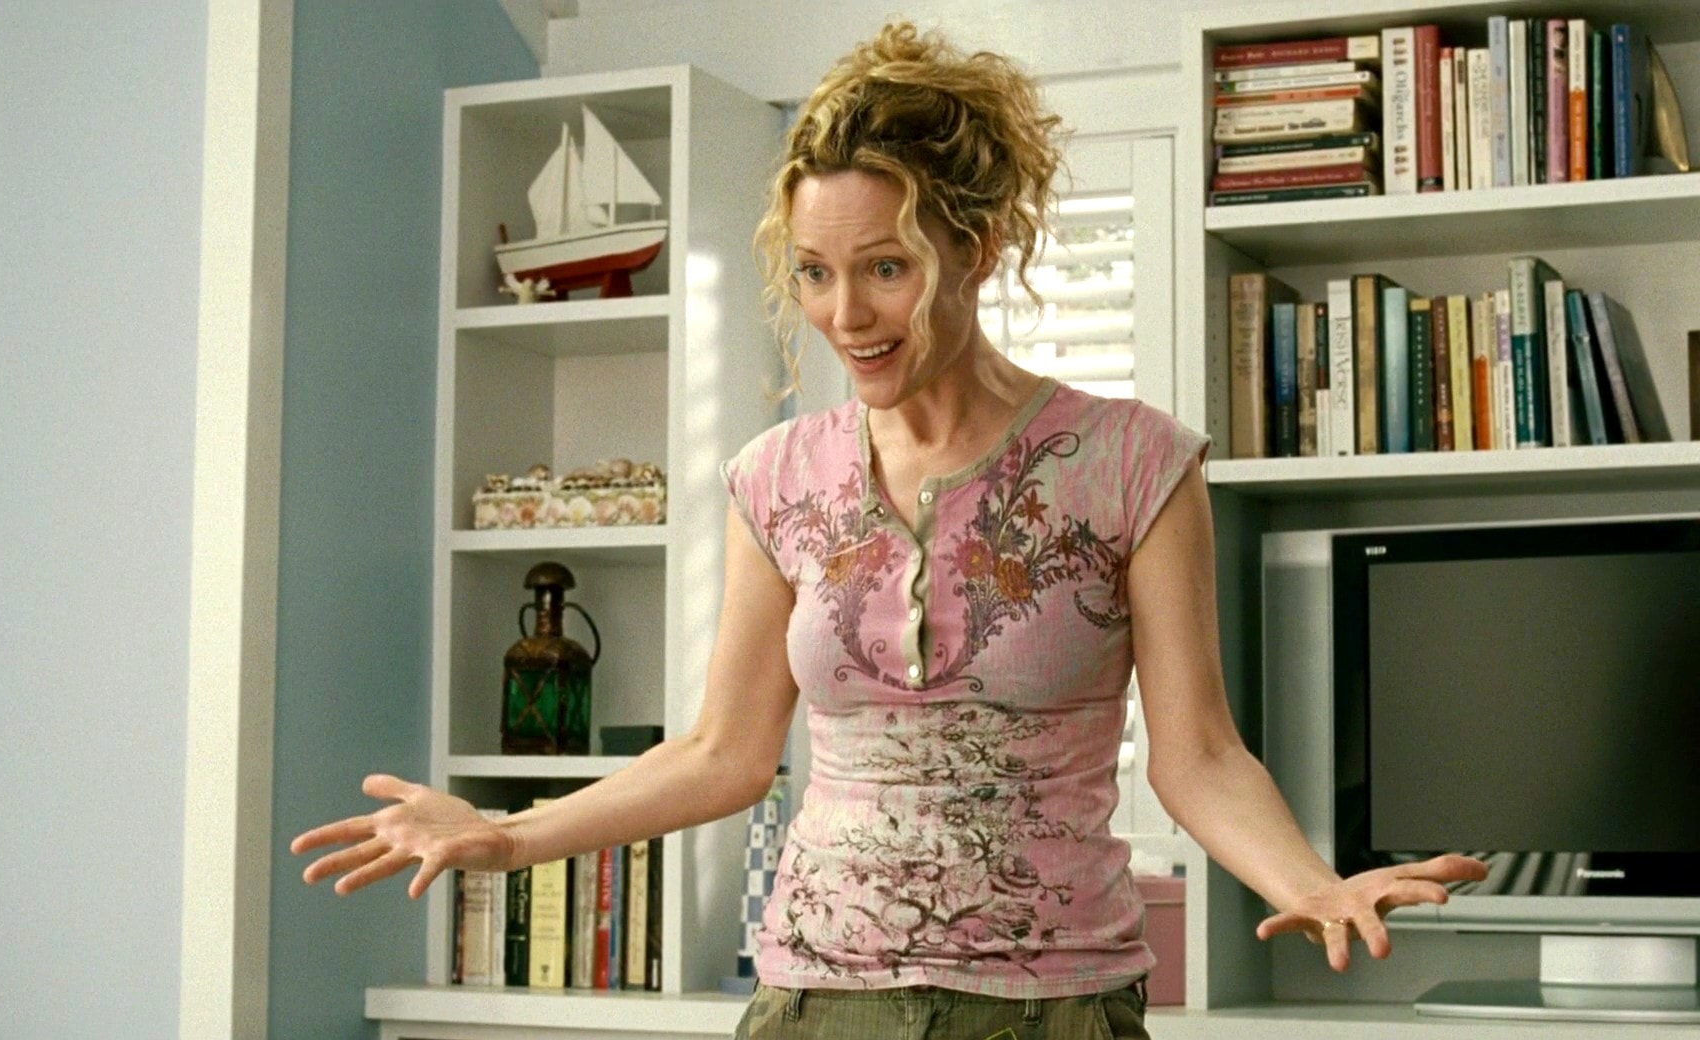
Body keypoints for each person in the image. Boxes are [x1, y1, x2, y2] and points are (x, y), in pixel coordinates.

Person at [292, 20, 1488, 1039]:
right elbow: (723, 751)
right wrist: (510, 836)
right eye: (815, 273)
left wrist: (1311, 882)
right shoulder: (775, 477)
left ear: (977, 250)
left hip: (1055, 1005)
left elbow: (1200, 754)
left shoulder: (1135, 461)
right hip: (819, 1000)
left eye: (885, 268)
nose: (845, 314)